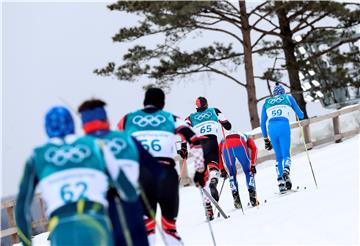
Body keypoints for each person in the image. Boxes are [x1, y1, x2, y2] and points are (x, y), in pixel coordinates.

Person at [117, 88, 206, 245]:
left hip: (141, 175)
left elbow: (115, 145)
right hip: (165, 174)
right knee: (169, 227)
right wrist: (199, 171)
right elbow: (195, 141)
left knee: (147, 227)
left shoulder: (127, 119)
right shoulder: (171, 118)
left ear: (144, 102)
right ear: (162, 104)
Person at [15, 106, 114, 245]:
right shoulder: (95, 145)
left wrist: (25, 242)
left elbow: (21, 207)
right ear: (72, 124)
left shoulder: (37, 155)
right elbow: (127, 190)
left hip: (62, 227)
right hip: (96, 221)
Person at [78, 98, 157, 246]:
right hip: (131, 205)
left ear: (83, 124)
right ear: (106, 118)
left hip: (98, 214)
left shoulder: (79, 147)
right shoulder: (127, 138)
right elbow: (154, 170)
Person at [181, 96, 231, 219]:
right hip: (212, 141)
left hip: (198, 146)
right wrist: (223, 123)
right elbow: (228, 126)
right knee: (214, 168)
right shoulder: (215, 110)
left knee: (202, 177)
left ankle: (208, 210)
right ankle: (214, 181)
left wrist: (183, 147)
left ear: (196, 107)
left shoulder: (190, 117)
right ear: (207, 105)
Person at [260, 83, 304, 193]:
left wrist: (266, 139)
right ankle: (286, 170)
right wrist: (298, 113)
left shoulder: (267, 102)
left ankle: (281, 182)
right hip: (283, 125)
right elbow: (301, 115)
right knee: (286, 154)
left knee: (278, 156)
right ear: (283, 92)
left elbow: (262, 123)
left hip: (272, 128)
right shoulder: (288, 97)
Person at [219, 132, 258, 208]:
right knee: (248, 170)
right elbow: (254, 148)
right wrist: (253, 165)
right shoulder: (246, 136)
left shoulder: (223, 139)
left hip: (226, 146)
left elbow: (217, 154)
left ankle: (236, 198)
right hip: (240, 144)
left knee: (232, 173)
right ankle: (252, 195)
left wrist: (222, 169)